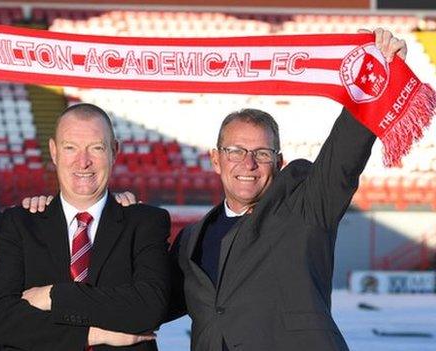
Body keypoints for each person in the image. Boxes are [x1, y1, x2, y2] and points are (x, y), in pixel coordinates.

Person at [167, 29, 408, 351]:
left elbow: (342, 160)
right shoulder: (190, 240)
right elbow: (152, 302)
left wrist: (375, 81)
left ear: (279, 162)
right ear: (216, 159)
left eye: (262, 154)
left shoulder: (306, 210)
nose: (248, 163)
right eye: (236, 151)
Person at [0, 103, 171, 350]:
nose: (83, 162)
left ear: (114, 151)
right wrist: (93, 335)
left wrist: (53, 296)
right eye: (70, 148)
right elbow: (0, 320)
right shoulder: (21, 223)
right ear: (53, 151)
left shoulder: (146, 222)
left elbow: (149, 308)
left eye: (96, 148)